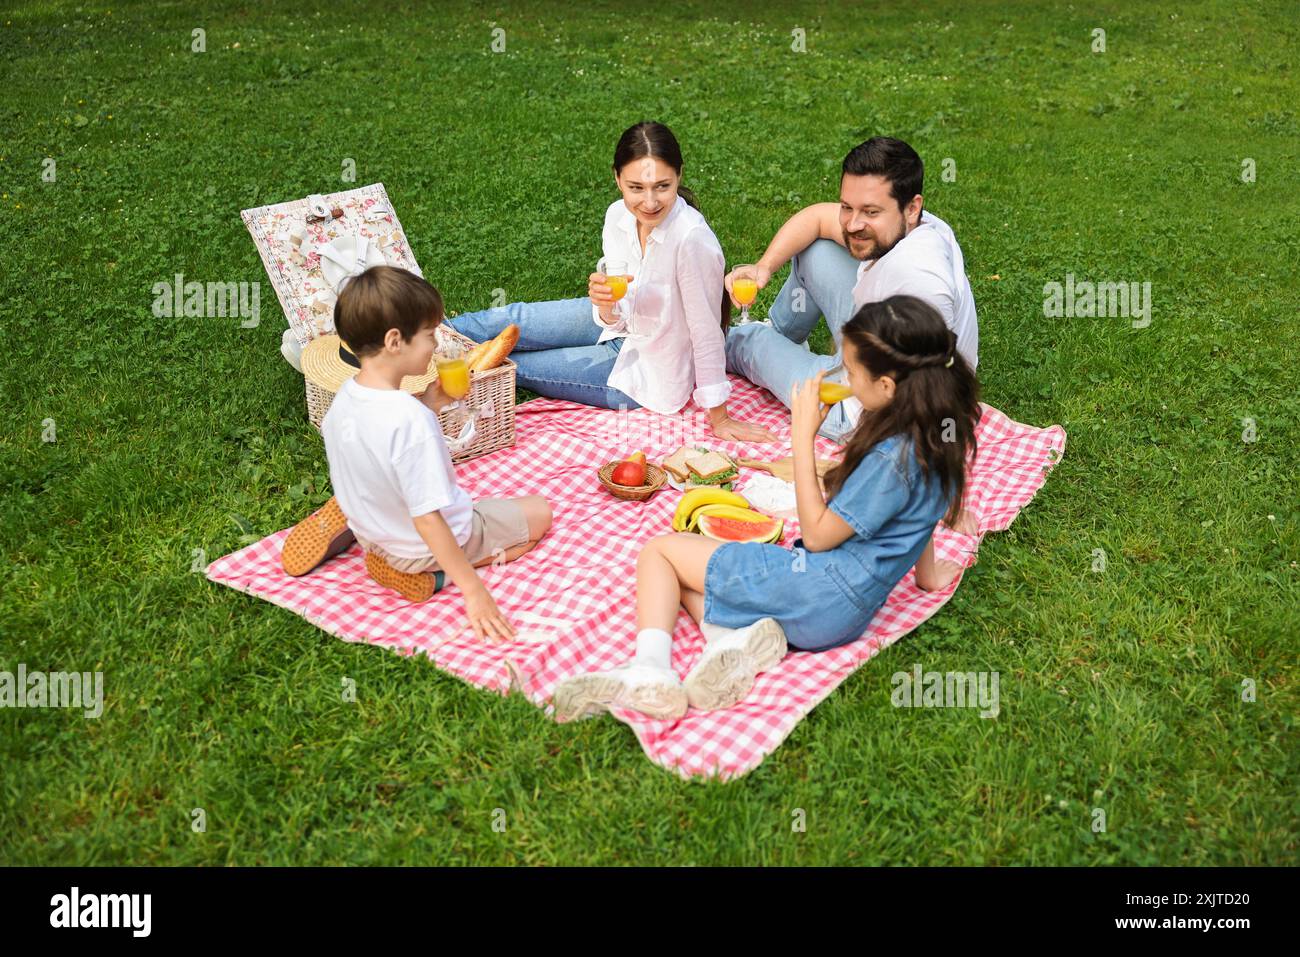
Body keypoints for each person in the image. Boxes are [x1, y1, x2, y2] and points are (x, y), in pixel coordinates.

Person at [552, 295, 979, 721]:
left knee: (660, 552)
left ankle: (650, 672)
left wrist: (802, 436)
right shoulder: (939, 441)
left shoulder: (888, 457)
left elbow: (816, 535)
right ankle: (727, 644)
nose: (844, 380)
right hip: (850, 615)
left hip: (815, 589)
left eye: (851, 373)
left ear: (886, 387)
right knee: (689, 579)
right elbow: (922, 521)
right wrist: (930, 576)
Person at [446, 121, 775, 442]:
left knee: (511, 365)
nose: (649, 202)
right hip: (619, 324)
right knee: (511, 317)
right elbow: (615, 312)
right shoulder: (617, 217)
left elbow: (706, 331)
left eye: (663, 186)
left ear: (679, 176)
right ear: (617, 178)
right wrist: (605, 307)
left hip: (648, 367)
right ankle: (418, 337)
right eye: (636, 188)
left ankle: (435, 375)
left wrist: (720, 417)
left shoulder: (691, 240)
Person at [317, 265, 553, 640]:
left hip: (372, 534)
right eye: (429, 335)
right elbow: (429, 519)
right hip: (422, 544)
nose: (436, 345)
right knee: (540, 515)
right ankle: (434, 575)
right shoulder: (410, 421)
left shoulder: (345, 398)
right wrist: (474, 591)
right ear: (395, 341)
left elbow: (386, 438)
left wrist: (429, 400)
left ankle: (384, 546)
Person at [723, 136, 978, 443]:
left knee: (747, 344)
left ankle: (754, 341)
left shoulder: (922, 283)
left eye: (871, 212)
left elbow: (922, 397)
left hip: (862, 406)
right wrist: (763, 267)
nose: (853, 224)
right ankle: (781, 334)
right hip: (870, 344)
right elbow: (817, 219)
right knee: (815, 250)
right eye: (847, 207)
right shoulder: (909, 227)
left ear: (912, 208)